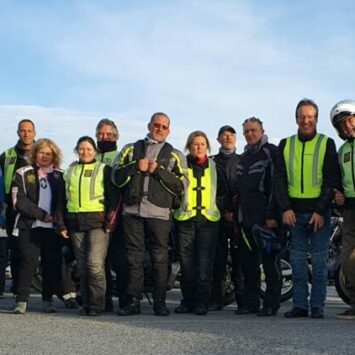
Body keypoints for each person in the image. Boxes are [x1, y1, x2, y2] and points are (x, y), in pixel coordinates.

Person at [111, 112, 186, 316]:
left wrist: (158, 171)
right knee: (133, 259)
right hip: (132, 211)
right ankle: (132, 302)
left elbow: (182, 186)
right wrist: (135, 167)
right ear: (149, 125)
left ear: (168, 130)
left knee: (160, 259)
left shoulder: (175, 155)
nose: (159, 129)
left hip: (160, 214)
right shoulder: (130, 148)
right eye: (156, 125)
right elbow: (115, 177)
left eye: (164, 126)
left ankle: (160, 303)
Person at [275, 99, 340, 319]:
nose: (306, 121)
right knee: (297, 263)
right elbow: (279, 180)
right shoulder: (285, 144)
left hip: (318, 215)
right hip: (294, 213)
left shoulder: (326, 143)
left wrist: (321, 211)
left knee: (320, 264)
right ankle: (300, 305)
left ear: (316, 119)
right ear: (296, 118)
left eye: (310, 117)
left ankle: (318, 306)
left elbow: (331, 180)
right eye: (302, 116)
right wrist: (285, 208)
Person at [60, 136, 119, 316]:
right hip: (74, 223)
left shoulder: (104, 169)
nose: (85, 152)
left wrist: (110, 222)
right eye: (81, 149)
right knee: (83, 267)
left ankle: (97, 305)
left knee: (94, 266)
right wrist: (61, 224)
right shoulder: (69, 171)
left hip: (98, 223)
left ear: (95, 151)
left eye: (88, 149)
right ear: (77, 150)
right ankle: (86, 304)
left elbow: (114, 198)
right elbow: (62, 200)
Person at [174, 130, 228, 316]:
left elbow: (224, 191)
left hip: (208, 221)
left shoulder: (215, 167)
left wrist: (219, 206)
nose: (198, 147)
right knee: (187, 265)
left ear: (207, 147)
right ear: (189, 146)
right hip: (185, 220)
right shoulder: (181, 167)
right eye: (195, 144)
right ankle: (187, 301)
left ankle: (201, 302)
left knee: (205, 265)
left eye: (202, 144)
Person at [11, 138, 65, 314]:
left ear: (54, 156)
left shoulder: (59, 175)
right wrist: (41, 214)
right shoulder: (23, 172)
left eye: (48, 153)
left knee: (51, 263)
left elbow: (62, 201)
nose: (44, 156)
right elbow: (19, 200)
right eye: (41, 152)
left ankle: (48, 300)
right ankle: (21, 300)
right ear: (35, 153)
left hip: (51, 227)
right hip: (29, 224)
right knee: (28, 261)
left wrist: (55, 218)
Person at [235, 117, 281, 316]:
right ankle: (251, 303)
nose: (250, 134)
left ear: (262, 131)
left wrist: (273, 215)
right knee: (248, 264)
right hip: (246, 219)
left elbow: (277, 187)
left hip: (266, 219)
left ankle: (272, 303)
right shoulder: (242, 157)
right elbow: (238, 189)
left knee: (270, 264)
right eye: (246, 131)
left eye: (253, 130)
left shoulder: (271, 152)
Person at [209, 125, 244, 311]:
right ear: (218, 140)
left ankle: (242, 301)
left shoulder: (242, 160)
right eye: (223, 136)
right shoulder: (211, 162)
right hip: (218, 217)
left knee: (240, 262)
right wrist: (223, 211)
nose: (227, 138)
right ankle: (217, 299)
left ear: (236, 138)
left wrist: (235, 211)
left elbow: (245, 190)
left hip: (238, 218)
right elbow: (211, 191)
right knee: (218, 261)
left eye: (230, 135)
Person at [0, 119, 36, 295]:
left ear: (34, 133)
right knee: (14, 248)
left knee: (30, 249)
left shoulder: (42, 152)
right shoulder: (7, 155)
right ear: (18, 133)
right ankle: (16, 285)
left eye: (29, 130)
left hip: (35, 208)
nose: (26, 134)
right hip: (11, 208)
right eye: (23, 130)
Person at [94, 118, 124, 312]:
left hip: (119, 216)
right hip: (95, 216)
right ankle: (103, 300)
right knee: (100, 261)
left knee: (120, 260)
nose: (104, 137)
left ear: (116, 137)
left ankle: (125, 301)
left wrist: (114, 215)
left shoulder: (120, 156)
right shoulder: (90, 156)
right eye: (101, 134)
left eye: (109, 134)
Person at [329, 100, 355, 320]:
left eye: (348, 120)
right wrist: (337, 192)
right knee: (347, 258)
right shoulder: (343, 150)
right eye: (341, 125)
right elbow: (339, 179)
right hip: (350, 210)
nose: (346, 127)